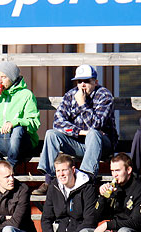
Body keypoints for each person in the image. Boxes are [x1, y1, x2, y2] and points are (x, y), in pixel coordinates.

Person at [35, 64, 117, 195]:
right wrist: (79, 132)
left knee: (94, 134)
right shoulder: (70, 95)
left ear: (95, 82)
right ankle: (49, 180)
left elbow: (96, 125)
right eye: (80, 81)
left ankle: (85, 178)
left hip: (102, 145)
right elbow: (58, 122)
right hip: (78, 142)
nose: (83, 85)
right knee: (51, 134)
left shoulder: (104, 96)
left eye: (87, 81)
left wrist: (83, 104)